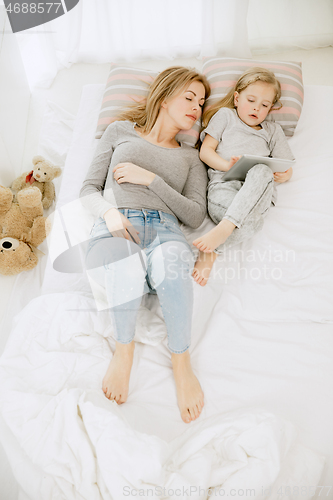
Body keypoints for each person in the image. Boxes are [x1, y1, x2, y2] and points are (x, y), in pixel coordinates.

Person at [79, 66, 211, 423]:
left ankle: (180, 361)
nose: (196, 107)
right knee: (124, 260)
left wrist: (150, 179)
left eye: (201, 102)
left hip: (167, 232)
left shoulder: (190, 157)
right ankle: (125, 351)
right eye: (189, 97)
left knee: (171, 261)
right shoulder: (119, 132)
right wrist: (108, 215)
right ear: (165, 96)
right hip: (117, 225)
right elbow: (88, 189)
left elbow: (195, 215)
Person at [192, 67, 295, 286]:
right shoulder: (225, 116)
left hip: (258, 195)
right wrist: (227, 165)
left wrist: (284, 176)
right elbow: (205, 151)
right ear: (237, 98)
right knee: (253, 225)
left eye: (265, 105)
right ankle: (224, 233)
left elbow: (287, 167)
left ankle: (217, 242)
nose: (257, 108)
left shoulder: (272, 130)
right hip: (225, 187)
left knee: (262, 170)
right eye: (251, 100)